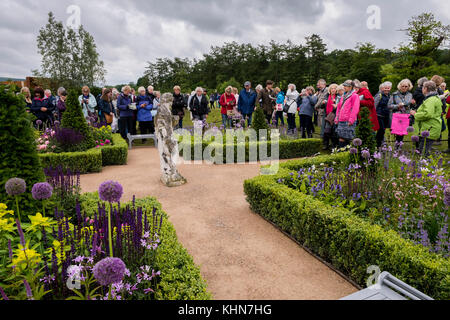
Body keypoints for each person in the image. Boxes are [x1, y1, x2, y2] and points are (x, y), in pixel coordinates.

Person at [410, 81, 443, 157]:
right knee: (424, 151)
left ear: (425, 88)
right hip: (430, 127)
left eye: (422, 88)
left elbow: (428, 114)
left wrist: (415, 114)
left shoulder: (431, 100)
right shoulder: (433, 98)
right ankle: (426, 166)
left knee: (423, 152)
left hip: (430, 128)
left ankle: (427, 167)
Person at [388, 79, 416, 145]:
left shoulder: (410, 95)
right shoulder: (394, 95)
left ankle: (398, 145)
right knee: (398, 133)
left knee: (402, 133)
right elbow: (389, 105)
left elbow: (412, 106)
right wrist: (397, 106)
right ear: (400, 86)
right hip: (397, 115)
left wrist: (413, 104)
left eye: (406, 86)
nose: (404, 88)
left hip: (406, 116)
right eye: (402, 86)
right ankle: (396, 146)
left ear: (409, 87)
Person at [335, 80, 360, 148]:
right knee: (341, 137)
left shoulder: (355, 96)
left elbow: (355, 108)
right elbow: (339, 108)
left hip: (348, 120)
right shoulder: (343, 95)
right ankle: (340, 153)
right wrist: (337, 118)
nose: (344, 87)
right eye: (344, 85)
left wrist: (351, 120)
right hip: (341, 119)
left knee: (350, 138)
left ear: (350, 87)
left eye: (345, 86)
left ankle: (350, 154)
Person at [374, 82, 393, 148]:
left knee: (383, 130)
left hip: (386, 116)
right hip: (379, 115)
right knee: (381, 129)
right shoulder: (379, 95)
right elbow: (374, 105)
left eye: (388, 88)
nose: (387, 89)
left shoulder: (390, 96)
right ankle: (377, 144)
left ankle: (380, 143)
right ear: (382, 88)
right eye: (385, 88)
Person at [323, 84, 339, 150]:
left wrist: (335, 103)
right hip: (327, 115)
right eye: (332, 88)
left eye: (334, 88)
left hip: (334, 116)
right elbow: (322, 106)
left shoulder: (338, 97)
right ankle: (326, 144)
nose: (333, 90)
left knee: (333, 131)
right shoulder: (327, 96)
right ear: (329, 89)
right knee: (327, 131)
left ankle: (333, 145)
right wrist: (323, 103)